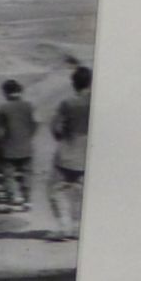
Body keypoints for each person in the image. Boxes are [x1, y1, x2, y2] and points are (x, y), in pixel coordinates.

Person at [49, 65, 93, 239]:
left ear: (74, 84)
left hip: (69, 151)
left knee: (57, 189)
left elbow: (56, 127)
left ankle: (65, 226)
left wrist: (63, 137)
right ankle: (79, 226)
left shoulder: (68, 103)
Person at [0, 79, 37, 212]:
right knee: (27, 173)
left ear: (6, 93)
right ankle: (27, 200)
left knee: (8, 174)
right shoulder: (29, 106)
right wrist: (28, 135)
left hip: (9, 148)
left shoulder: (3, 108)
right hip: (26, 147)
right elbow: (35, 123)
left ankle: (13, 198)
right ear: (20, 91)